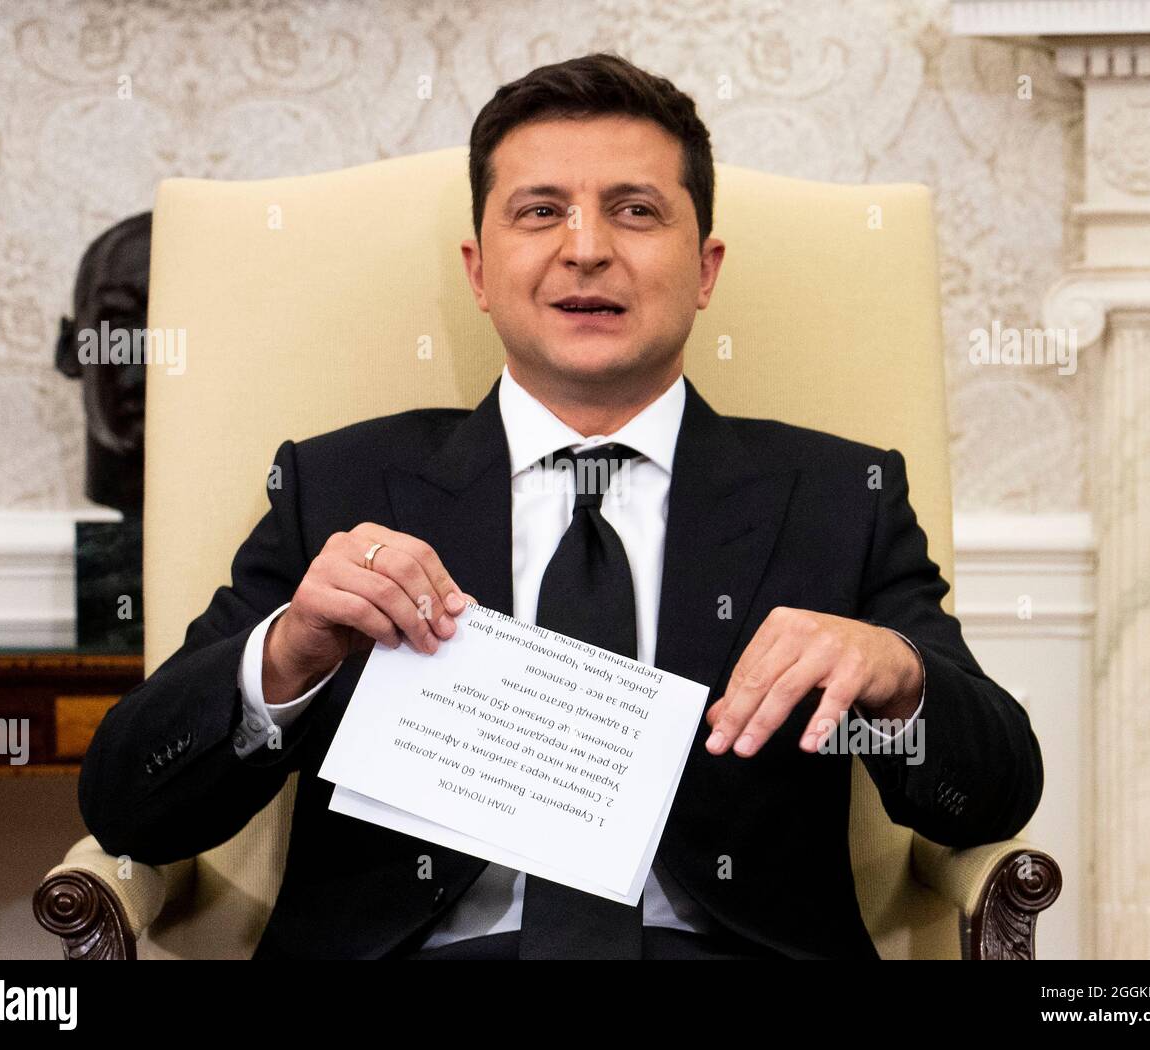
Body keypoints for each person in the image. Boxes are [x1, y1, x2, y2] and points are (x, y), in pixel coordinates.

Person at [78, 52, 1043, 961]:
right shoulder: (340, 487)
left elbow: (990, 794)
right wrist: (285, 657)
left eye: (634, 210)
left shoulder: (841, 498)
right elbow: (129, 802)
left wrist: (899, 678)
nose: (586, 250)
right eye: (541, 212)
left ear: (705, 270)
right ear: (479, 271)